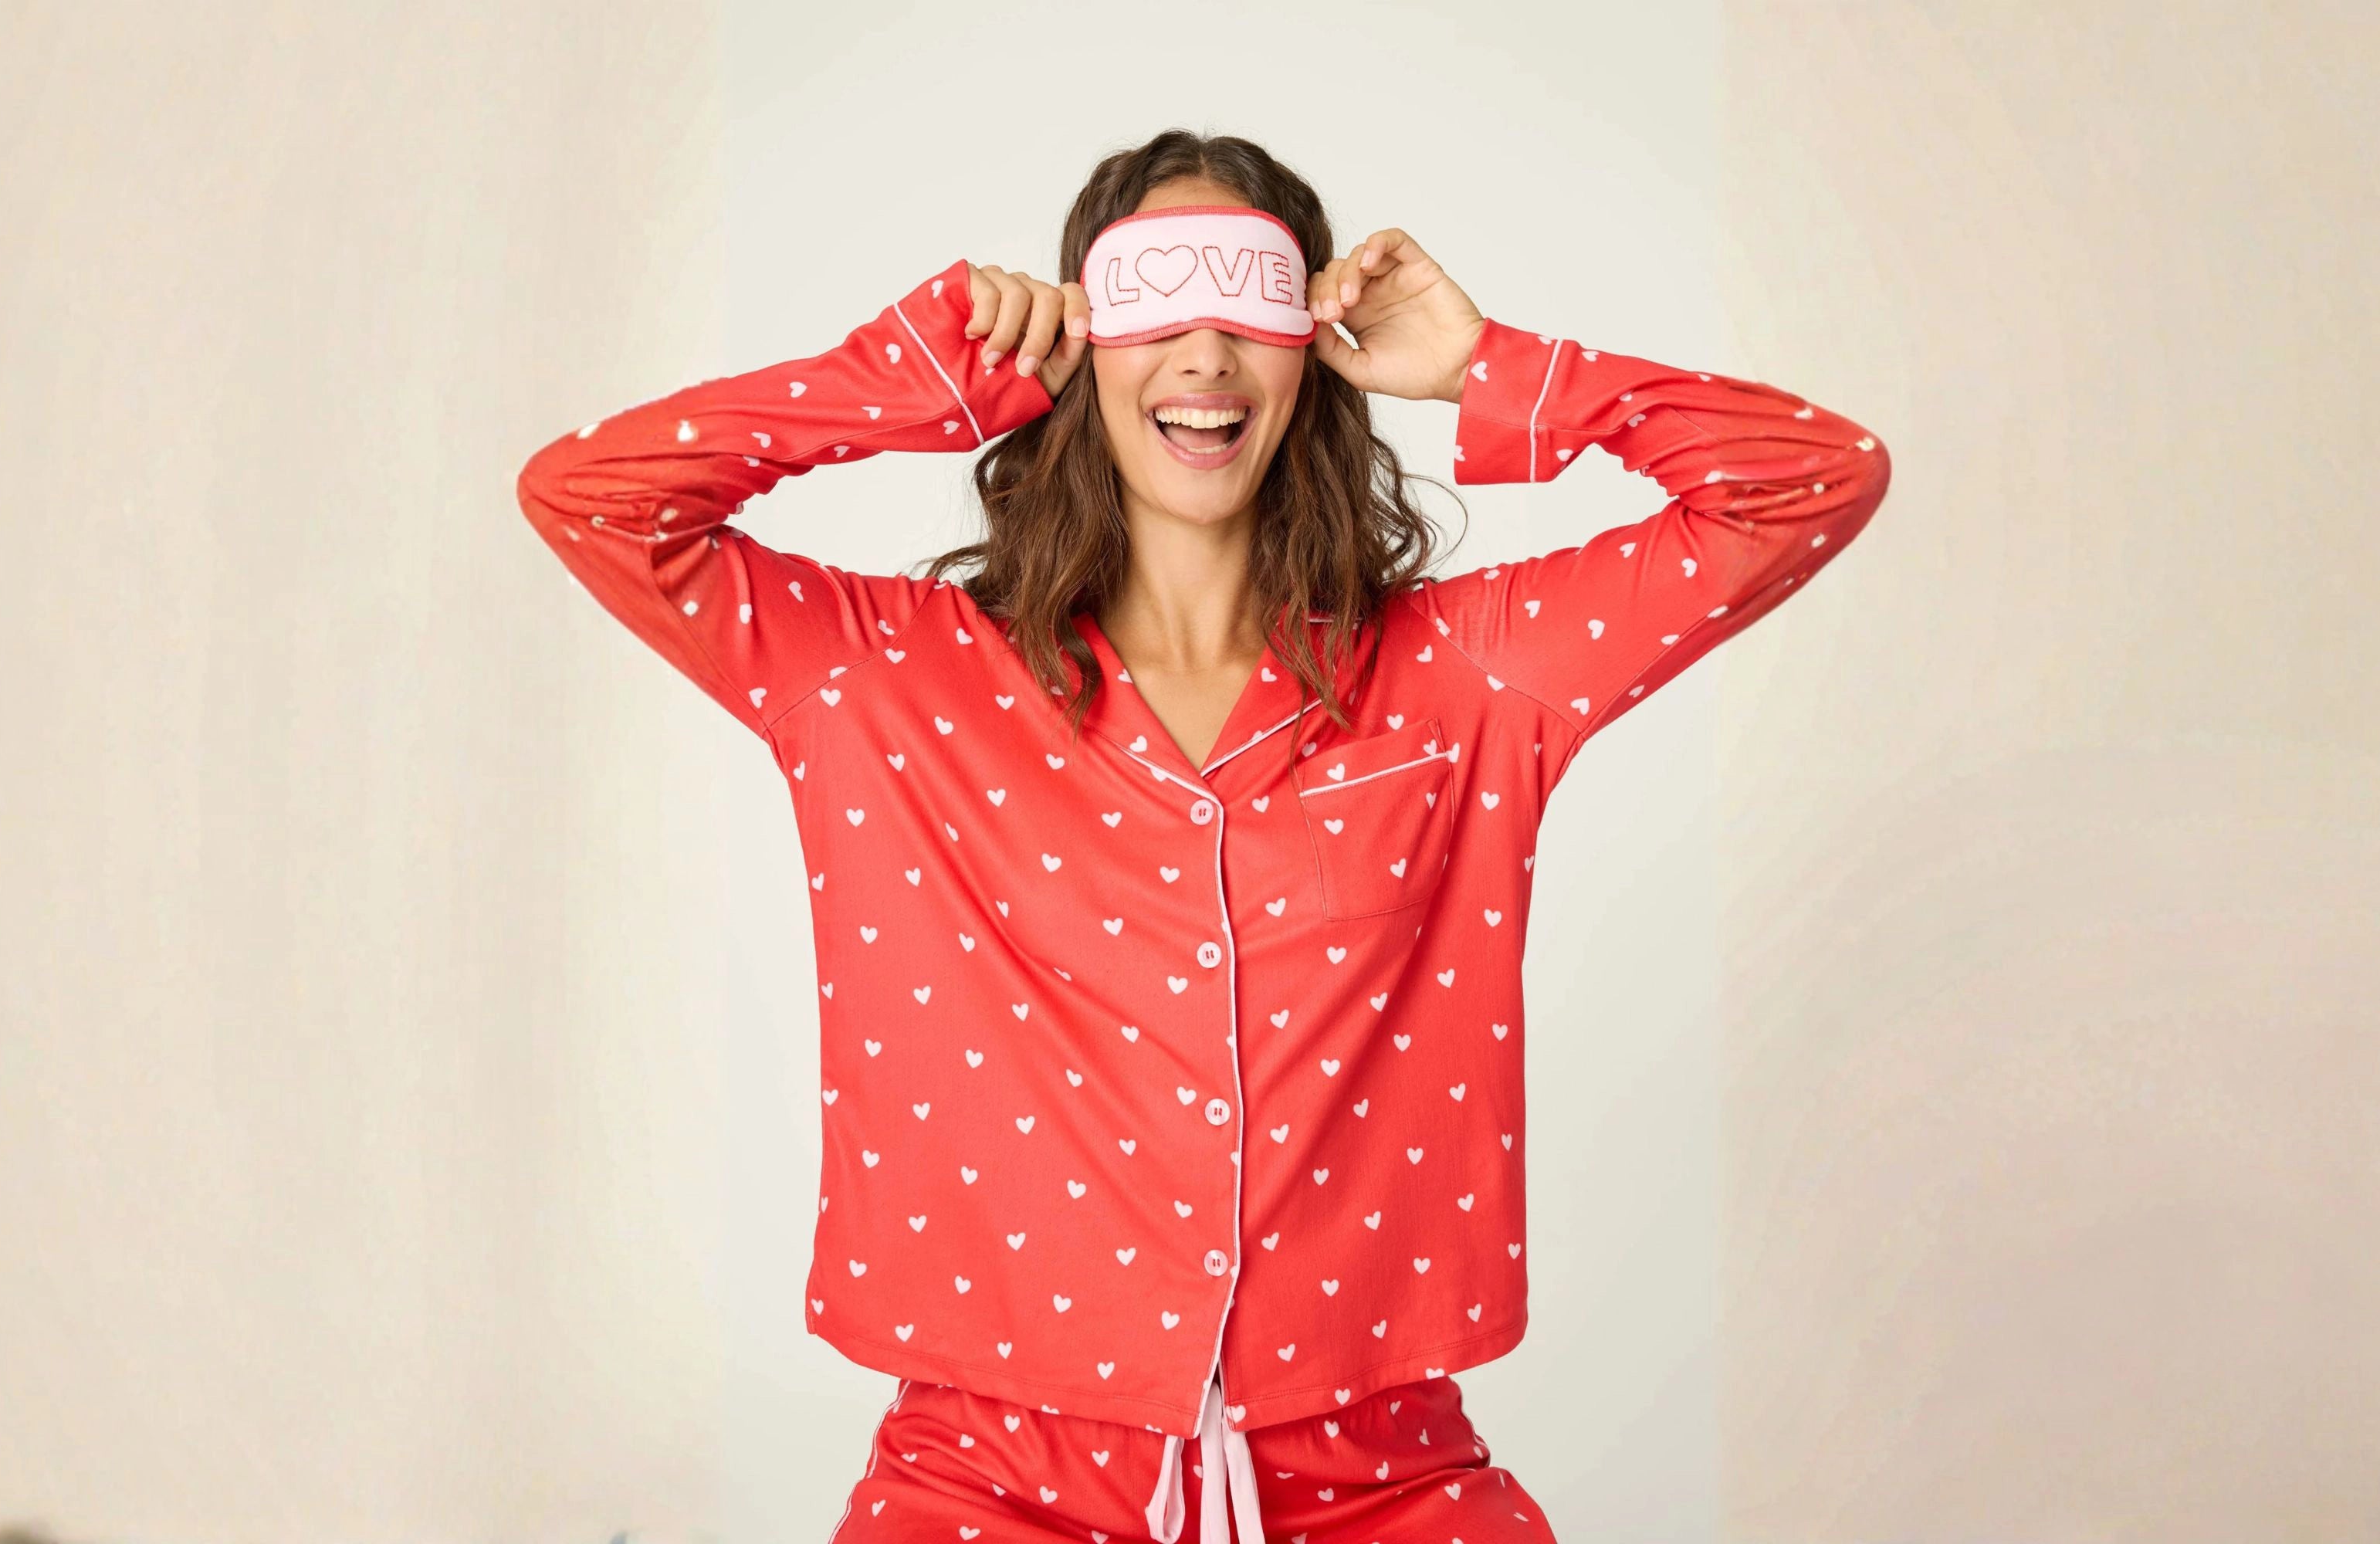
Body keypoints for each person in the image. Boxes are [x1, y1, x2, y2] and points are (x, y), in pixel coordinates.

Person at [514, 128, 1890, 1543]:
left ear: (1313, 345)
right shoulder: (881, 677)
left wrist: (1492, 370)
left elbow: (1811, 481)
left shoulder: (1465, 676)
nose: (1206, 354)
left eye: (1248, 303)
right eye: (1156, 303)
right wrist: (894, 388)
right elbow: (593, 500)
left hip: (1389, 1481)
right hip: (986, 1483)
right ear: (1082, 340)